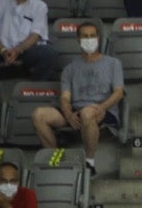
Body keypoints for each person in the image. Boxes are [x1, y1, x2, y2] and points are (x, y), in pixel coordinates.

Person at [31, 21, 123, 173]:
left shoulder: (113, 64)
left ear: (98, 38)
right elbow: (65, 98)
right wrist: (68, 114)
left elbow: (118, 92)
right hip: (76, 110)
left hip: (102, 109)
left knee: (87, 113)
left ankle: (89, 162)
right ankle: (56, 159)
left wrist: (102, 107)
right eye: (85, 36)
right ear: (78, 39)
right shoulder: (70, 68)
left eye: (92, 36)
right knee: (38, 114)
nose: (89, 39)